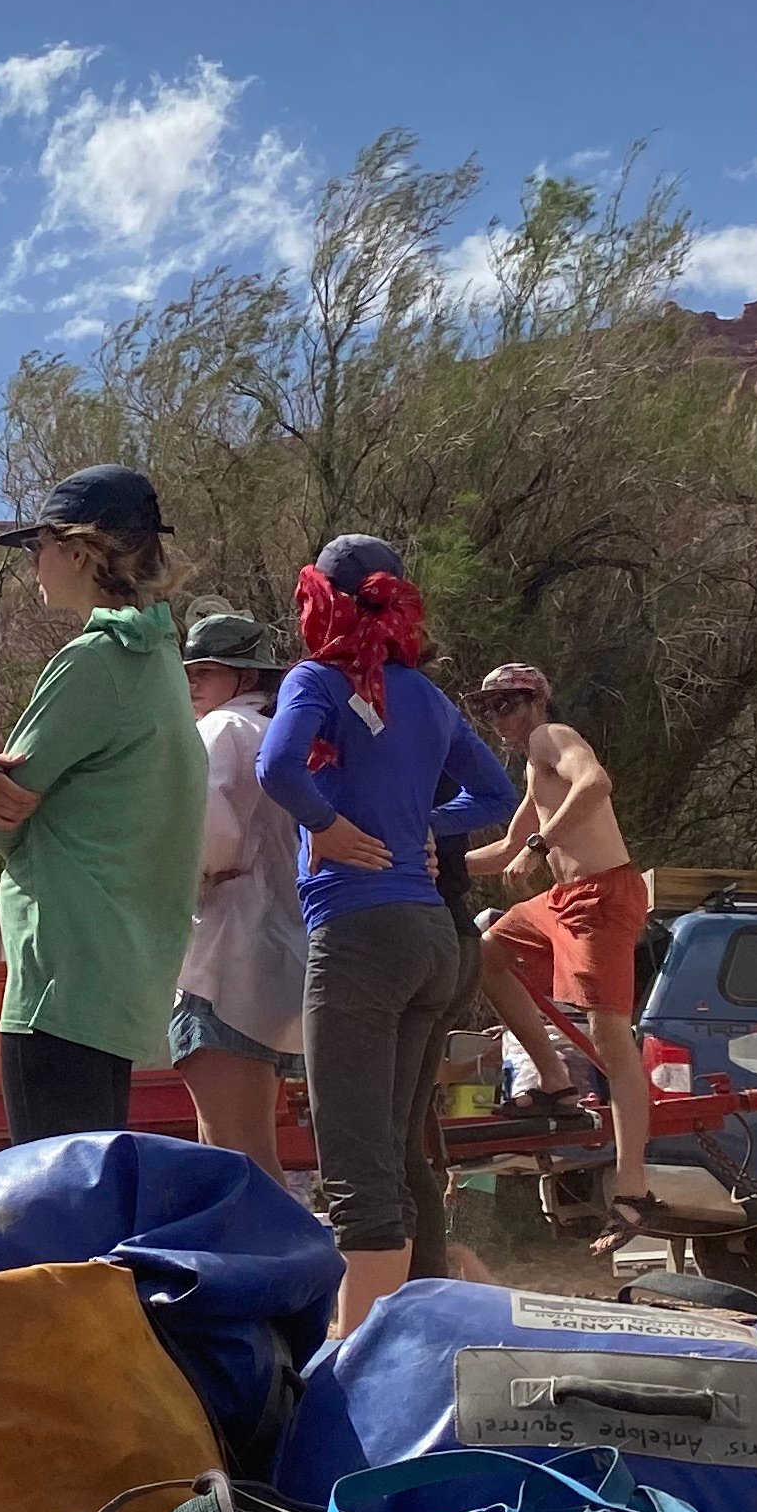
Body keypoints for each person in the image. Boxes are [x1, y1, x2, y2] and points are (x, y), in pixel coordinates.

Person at [257, 533, 519, 1335]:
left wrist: (329, 826)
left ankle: (354, 1357)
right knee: (397, 1149)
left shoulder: (320, 679)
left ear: (322, 599)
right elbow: (498, 795)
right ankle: (410, 1334)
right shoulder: (429, 698)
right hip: (433, 942)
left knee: (354, 1162)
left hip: (360, 933)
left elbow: (276, 768)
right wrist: (417, 826)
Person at [0, 467, 206, 1143]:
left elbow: (7, 807)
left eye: (36, 545)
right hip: (114, 979)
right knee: (91, 1210)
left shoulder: (97, 661)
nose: (33, 563)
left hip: (59, 981)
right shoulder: (158, 658)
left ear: (78, 549)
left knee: (56, 1214)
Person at [473, 661, 659, 1244]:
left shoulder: (553, 738)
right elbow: (506, 847)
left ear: (536, 701)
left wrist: (538, 845)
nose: (498, 717)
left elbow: (596, 783)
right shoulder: (533, 764)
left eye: (508, 703)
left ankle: (632, 1190)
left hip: (602, 896)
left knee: (611, 1039)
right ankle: (554, 1080)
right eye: (489, 708)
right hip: (564, 899)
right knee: (487, 952)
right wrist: (420, 858)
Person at [171, 609, 304, 1178]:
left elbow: (208, 842)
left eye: (208, 671)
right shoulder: (280, 734)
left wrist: (176, 878)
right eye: (191, 671)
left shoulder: (221, 730)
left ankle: (282, 1267)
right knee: (236, 1151)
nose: (194, 683)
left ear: (245, 678)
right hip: (275, 956)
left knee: (238, 1159)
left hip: (225, 960)